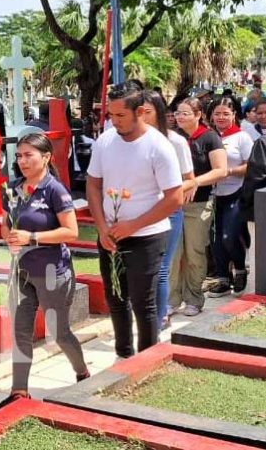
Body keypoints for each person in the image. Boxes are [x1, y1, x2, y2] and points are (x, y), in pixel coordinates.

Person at [0, 133, 88, 411]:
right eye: (18, 155)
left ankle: (82, 374)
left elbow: (71, 231)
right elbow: (7, 224)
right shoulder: (13, 188)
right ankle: (19, 391)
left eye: (28, 154)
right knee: (21, 331)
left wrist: (31, 238)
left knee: (58, 332)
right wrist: (9, 235)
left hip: (52, 272)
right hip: (21, 270)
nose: (22, 160)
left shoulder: (55, 190)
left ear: (46, 157)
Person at [87, 81, 183, 358]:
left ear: (140, 111)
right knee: (116, 300)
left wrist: (133, 225)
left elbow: (174, 197)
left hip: (147, 236)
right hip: (111, 234)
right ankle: (123, 355)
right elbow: (93, 185)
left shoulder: (158, 146)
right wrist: (103, 227)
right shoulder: (105, 141)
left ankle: (147, 360)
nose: (114, 122)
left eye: (120, 116)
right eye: (110, 115)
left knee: (144, 304)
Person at [168, 98, 227, 317]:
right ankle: (171, 299)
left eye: (185, 113)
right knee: (173, 254)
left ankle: (193, 298)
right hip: (173, 204)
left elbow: (221, 170)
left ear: (198, 114)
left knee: (194, 252)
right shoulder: (173, 138)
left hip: (199, 203)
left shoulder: (210, 138)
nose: (179, 117)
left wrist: (195, 182)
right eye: (177, 113)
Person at [141, 90, 195, 330]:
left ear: (160, 113)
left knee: (161, 268)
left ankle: (160, 316)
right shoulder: (130, 140)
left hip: (168, 211)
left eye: (147, 112)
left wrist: (169, 193)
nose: (141, 117)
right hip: (139, 212)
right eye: (138, 111)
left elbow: (189, 178)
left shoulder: (175, 141)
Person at [203, 98, 254, 298]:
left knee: (229, 236)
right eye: (217, 114)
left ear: (234, 115)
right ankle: (223, 279)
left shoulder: (242, 138)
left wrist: (228, 171)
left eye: (226, 113)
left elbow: (251, 165)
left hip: (235, 192)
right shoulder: (208, 136)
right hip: (212, 195)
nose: (221, 117)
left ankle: (240, 270)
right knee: (214, 240)